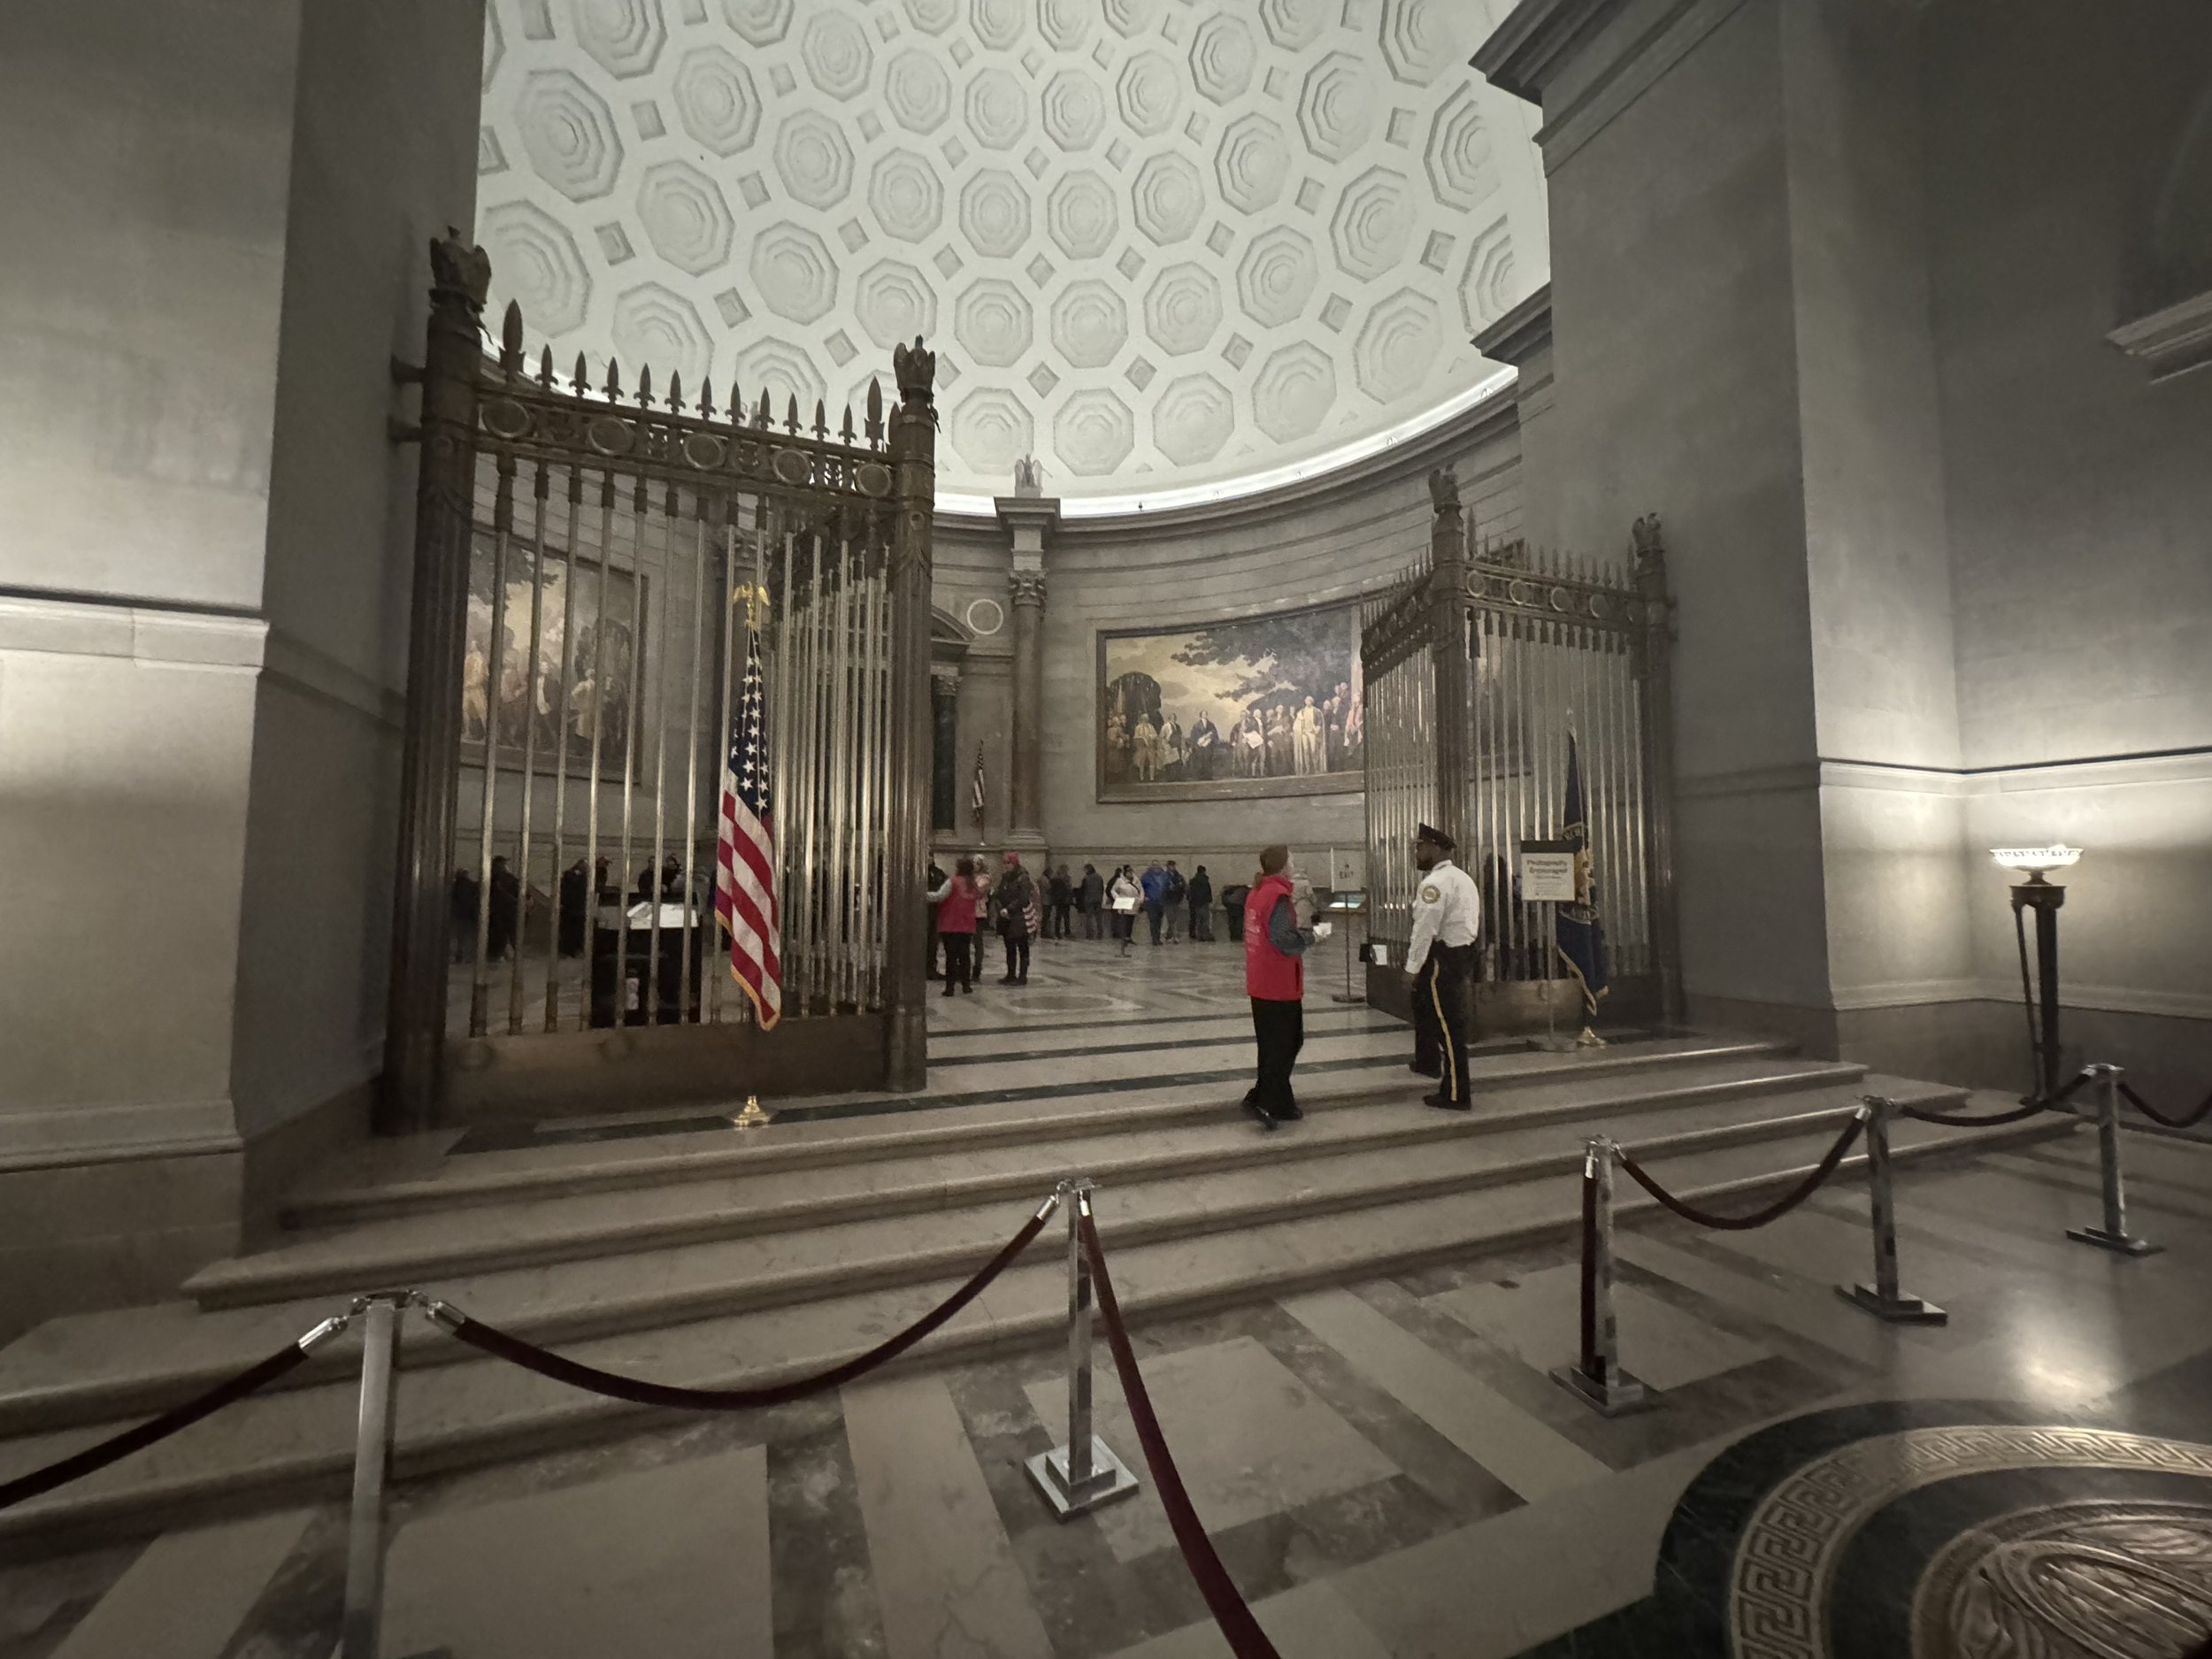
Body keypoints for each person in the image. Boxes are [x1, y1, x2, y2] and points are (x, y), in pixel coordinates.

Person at [1243, 844, 1328, 1129]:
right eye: (1291, 860)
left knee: (1271, 1044)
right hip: (1278, 982)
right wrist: (1313, 937)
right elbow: (1283, 939)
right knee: (1287, 1042)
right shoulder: (1277, 895)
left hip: (1261, 979)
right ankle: (1270, 1101)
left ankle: (1269, 1097)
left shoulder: (1257, 892)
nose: (1293, 864)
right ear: (1282, 866)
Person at [1407, 822, 1482, 1111]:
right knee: (1428, 1010)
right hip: (1461, 954)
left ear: (1434, 848)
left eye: (1420, 847)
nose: (1417, 852)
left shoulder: (1434, 884)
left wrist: (1412, 967)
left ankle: (1456, 1093)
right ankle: (1427, 1061)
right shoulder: (1463, 878)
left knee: (1449, 1027)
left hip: (1441, 959)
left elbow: (1425, 929)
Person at [928, 856, 979, 995]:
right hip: (967, 924)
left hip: (950, 923)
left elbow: (939, 896)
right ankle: (966, 985)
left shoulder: (953, 882)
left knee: (951, 957)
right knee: (965, 956)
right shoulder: (973, 885)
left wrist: (922, 894)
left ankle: (950, 988)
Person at [995, 853, 1036, 984]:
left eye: (1009, 863)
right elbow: (998, 894)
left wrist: (1009, 909)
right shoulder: (1005, 878)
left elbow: (1023, 899)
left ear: (1015, 863)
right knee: (1010, 948)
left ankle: (1023, 976)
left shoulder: (1023, 878)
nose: (1006, 866)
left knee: (1023, 948)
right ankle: (1010, 974)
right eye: (1005, 863)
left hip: (1019, 917)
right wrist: (1001, 908)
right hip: (1006, 918)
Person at [487, 856, 520, 963]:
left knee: (500, 935)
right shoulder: (508, 878)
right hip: (508, 911)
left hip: (498, 912)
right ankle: (511, 955)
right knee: (510, 934)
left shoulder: (491, 879)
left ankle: (500, 955)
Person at [1109, 864, 1141, 955]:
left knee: (1130, 921)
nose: (1130, 874)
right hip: (1124, 903)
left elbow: (1141, 890)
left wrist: (1140, 899)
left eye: (1131, 872)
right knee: (1124, 921)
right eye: (1128, 872)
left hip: (1133, 904)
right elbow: (1113, 890)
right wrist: (1118, 898)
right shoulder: (1120, 881)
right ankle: (1123, 939)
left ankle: (1128, 937)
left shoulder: (1136, 880)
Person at [449, 867, 480, 963]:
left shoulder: (455, 886)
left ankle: (459, 955)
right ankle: (468, 956)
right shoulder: (472, 885)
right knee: (468, 937)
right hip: (470, 914)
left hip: (459, 914)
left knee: (459, 936)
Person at [1139, 860, 1170, 946]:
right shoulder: (1146, 877)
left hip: (1161, 901)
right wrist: (1144, 897)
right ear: (1151, 866)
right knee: (1153, 920)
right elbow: (1141, 888)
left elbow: (1167, 886)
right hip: (1151, 901)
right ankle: (1154, 938)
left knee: (1159, 920)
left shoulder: (1164, 876)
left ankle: (1158, 937)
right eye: (1154, 865)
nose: (1156, 867)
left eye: (1157, 865)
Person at [926, 857, 947, 977]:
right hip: (924, 909)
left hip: (936, 910)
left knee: (933, 941)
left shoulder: (938, 873)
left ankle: (931, 966)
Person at [1187, 864, 1214, 941]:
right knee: (1205, 920)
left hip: (1196, 904)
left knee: (1198, 920)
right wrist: (1210, 900)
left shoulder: (1193, 881)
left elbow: (1190, 892)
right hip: (1204, 903)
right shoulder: (1205, 880)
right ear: (1204, 872)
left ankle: (1199, 936)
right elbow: (1208, 891)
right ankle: (1205, 935)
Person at [1162, 860, 1187, 942]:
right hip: (1168, 901)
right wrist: (1177, 886)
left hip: (1177, 900)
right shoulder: (1165, 877)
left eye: (1173, 865)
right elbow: (1165, 889)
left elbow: (1184, 886)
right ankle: (1174, 935)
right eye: (1171, 865)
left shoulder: (1179, 876)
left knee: (1174, 919)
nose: (1172, 867)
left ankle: (1169, 936)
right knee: (1171, 919)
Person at [1079, 863, 1104, 938]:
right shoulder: (1099, 877)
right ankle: (1100, 933)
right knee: (1099, 917)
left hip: (1089, 899)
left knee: (1089, 917)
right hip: (1098, 899)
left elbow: (1082, 890)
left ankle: (1090, 934)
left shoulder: (1086, 878)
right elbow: (1102, 889)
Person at [1048, 864, 1073, 938]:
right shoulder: (1060, 880)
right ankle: (1065, 932)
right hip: (1063, 900)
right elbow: (1067, 890)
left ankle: (1059, 932)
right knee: (1064, 917)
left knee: (1060, 917)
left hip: (1060, 900)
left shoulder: (1054, 879)